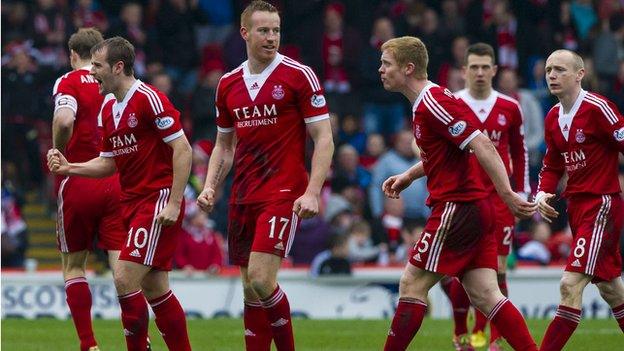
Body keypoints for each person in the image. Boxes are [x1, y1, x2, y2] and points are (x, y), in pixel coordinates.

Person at [377, 36, 538, 351]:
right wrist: (410, 174)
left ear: (407, 68)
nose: (380, 70)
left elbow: (483, 145)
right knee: (486, 295)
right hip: (473, 207)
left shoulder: (432, 101)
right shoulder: (426, 103)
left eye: (386, 64)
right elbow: (445, 155)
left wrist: (507, 194)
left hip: (457, 207)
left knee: (411, 284)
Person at [196, 2, 334, 351]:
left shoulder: (298, 75)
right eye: (263, 30)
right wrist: (211, 186)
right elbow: (223, 146)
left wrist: (313, 191)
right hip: (243, 193)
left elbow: (323, 138)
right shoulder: (227, 84)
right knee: (249, 288)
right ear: (245, 33)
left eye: (275, 30)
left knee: (260, 278)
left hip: (284, 190)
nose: (272, 37)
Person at [48, 36, 193, 351]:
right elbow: (107, 163)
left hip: (156, 199)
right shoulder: (108, 109)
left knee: (124, 277)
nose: (93, 72)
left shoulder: (149, 98)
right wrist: (69, 168)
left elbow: (182, 149)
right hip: (130, 201)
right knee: (154, 287)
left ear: (118, 67)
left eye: (98, 67)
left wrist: (174, 202)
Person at [536, 49, 624, 350]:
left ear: (579, 74)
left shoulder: (598, 107)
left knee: (569, 285)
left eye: (560, 69)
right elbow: (552, 164)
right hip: (577, 208)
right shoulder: (551, 117)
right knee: (612, 290)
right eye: (549, 70)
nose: (552, 75)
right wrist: (543, 192)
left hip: (601, 205)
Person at [51, 28, 126, 351]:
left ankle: (89, 344)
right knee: (122, 268)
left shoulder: (67, 81)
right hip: (116, 179)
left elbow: (65, 120)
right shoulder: (114, 81)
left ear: (72, 55)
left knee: (74, 266)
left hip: (79, 177)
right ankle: (138, 337)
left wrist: (58, 152)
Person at [452, 42, 531, 350]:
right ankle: (461, 333)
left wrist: (521, 191)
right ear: (464, 71)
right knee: (461, 270)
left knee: (497, 267)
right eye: (474, 67)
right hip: (462, 198)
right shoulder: (452, 103)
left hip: (499, 199)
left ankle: (494, 337)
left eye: (486, 67)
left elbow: (520, 151)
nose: (480, 72)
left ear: (495, 70)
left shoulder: (510, 107)